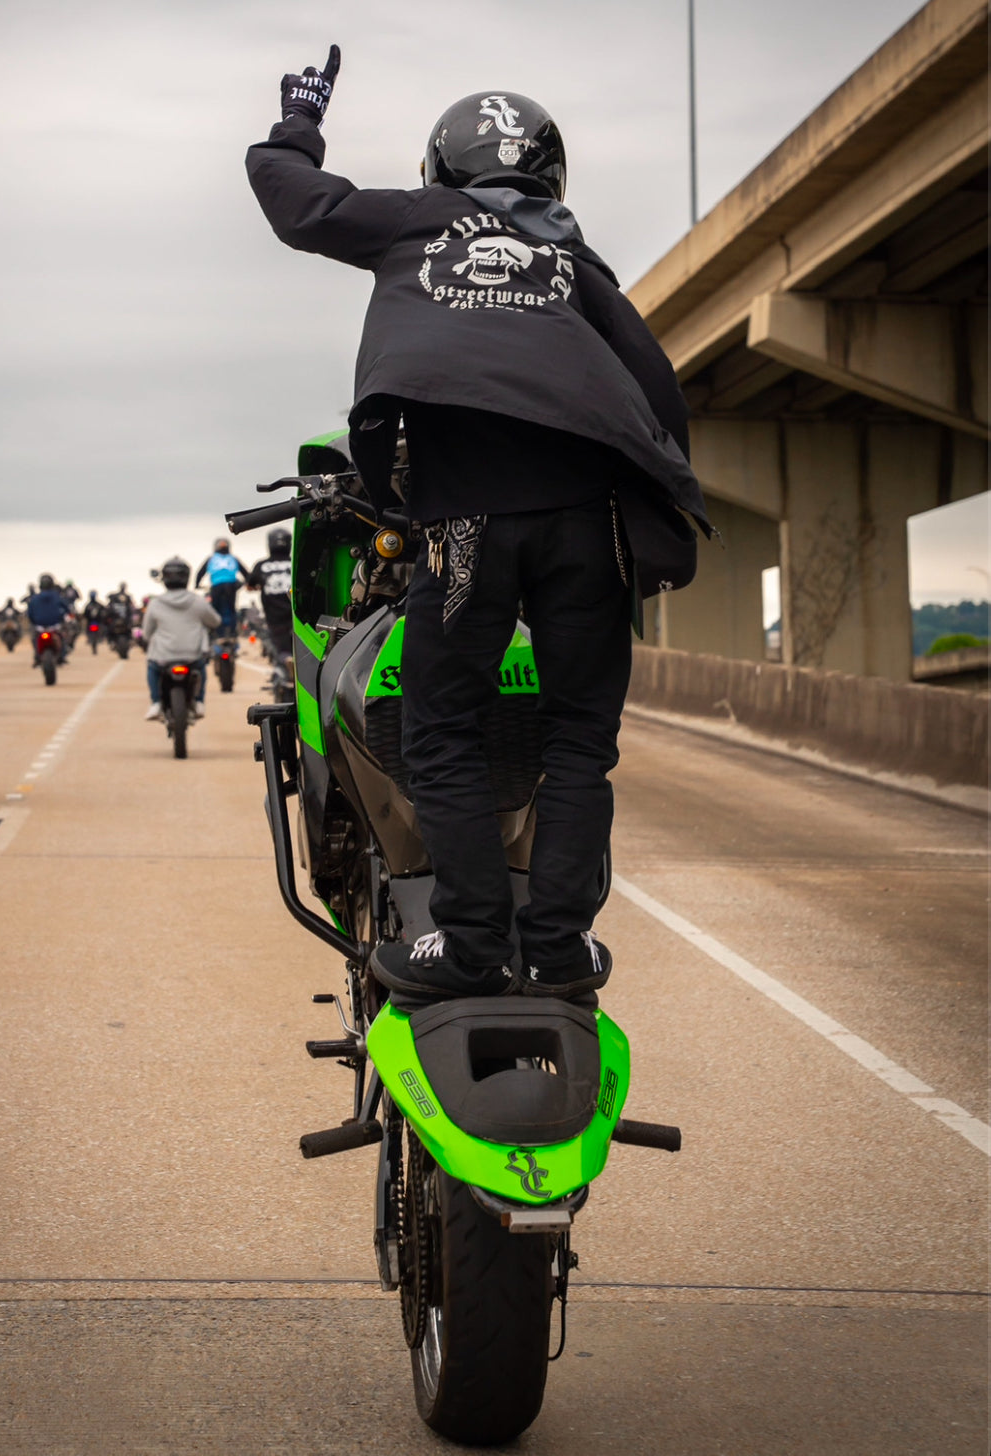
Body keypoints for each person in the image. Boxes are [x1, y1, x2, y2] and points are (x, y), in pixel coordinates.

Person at [247, 53, 710, 1003]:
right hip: (593, 527)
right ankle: (557, 948)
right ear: (553, 176)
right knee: (579, 741)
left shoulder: (423, 223)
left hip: (468, 525)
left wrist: (297, 122)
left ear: (439, 169)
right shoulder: (573, 265)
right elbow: (655, 394)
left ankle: (466, 945)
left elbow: (300, 205)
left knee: (441, 730)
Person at [141, 557, 219, 720]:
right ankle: (199, 702)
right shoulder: (198, 601)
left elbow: (147, 633)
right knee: (201, 667)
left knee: (152, 667)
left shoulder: (156, 603)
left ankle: (156, 703)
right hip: (192, 656)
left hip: (163, 657)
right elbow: (215, 621)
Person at [244, 528, 293, 661]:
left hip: (275, 617)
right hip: (297, 615)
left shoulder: (261, 565)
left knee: (280, 649)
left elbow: (249, 585)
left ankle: (284, 664)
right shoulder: (295, 563)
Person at [194, 538, 243, 638]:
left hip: (216, 586)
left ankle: (216, 632)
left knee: (215, 610)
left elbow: (200, 573)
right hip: (231, 586)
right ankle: (232, 632)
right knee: (231, 609)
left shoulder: (211, 558)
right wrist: (249, 583)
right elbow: (246, 573)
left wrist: (196, 584)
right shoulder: (233, 558)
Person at [26, 574, 71, 662]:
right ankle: (62, 656)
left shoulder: (35, 598)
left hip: (40, 626)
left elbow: (30, 613)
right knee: (63, 636)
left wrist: (34, 622)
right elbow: (67, 608)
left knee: (34, 638)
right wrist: (63, 616)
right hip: (54, 625)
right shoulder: (57, 596)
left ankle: (37, 657)